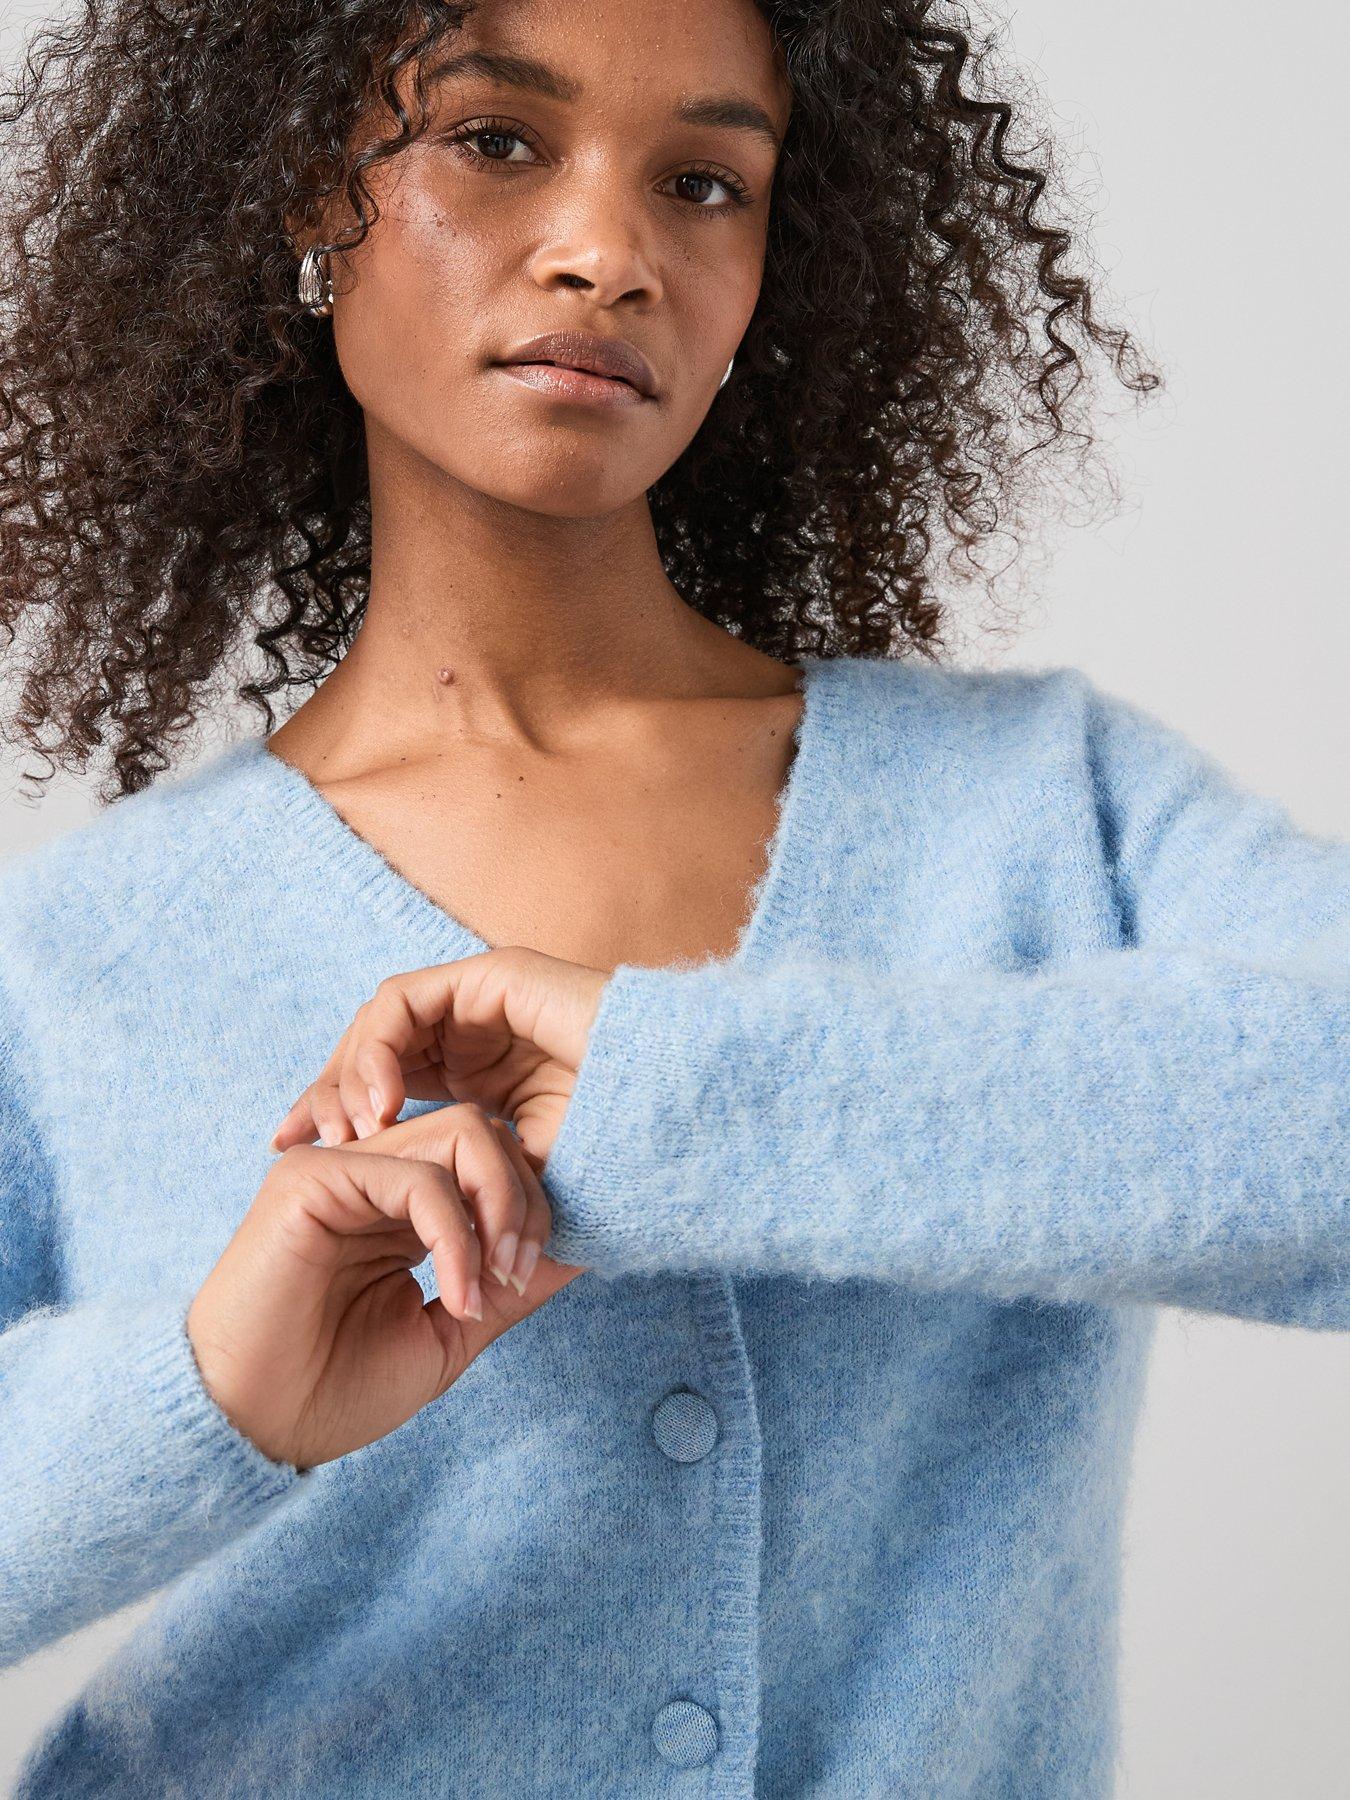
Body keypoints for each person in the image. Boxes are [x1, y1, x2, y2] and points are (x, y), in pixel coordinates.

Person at [0, 0, 1345, 1793]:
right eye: (494, 142)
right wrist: (206, 1392)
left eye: (704, 181)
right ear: (308, 197)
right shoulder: (74, 953)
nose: (608, 251)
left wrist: (669, 1101)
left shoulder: (1038, 808)